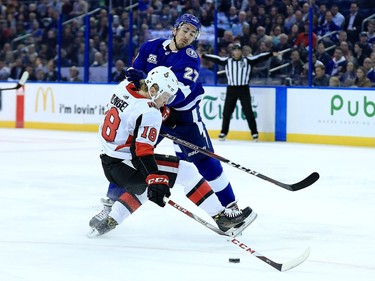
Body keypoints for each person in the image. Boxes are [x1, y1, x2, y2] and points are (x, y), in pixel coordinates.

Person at [89, 14, 253, 230]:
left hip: (183, 118)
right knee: (133, 159)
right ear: (175, 29)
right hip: (153, 111)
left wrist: (159, 102)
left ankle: (231, 207)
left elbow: (181, 92)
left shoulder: (190, 58)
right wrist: (141, 84)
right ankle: (109, 208)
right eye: (185, 30)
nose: (188, 36)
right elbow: (134, 75)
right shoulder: (151, 47)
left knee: (203, 160)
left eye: (193, 33)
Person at [202, 42, 279, 141]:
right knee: (226, 112)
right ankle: (223, 132)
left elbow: (260, 57)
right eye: (235, 50)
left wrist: (271, 54)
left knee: (248, 112)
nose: (237, 52)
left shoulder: (248, 60)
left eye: (239, 50)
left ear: (241, 52)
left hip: (244, 89)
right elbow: (215, 58)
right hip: (231, 89)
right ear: (232, 52)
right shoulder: (227, 61)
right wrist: (204, 55)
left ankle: (254, 133)